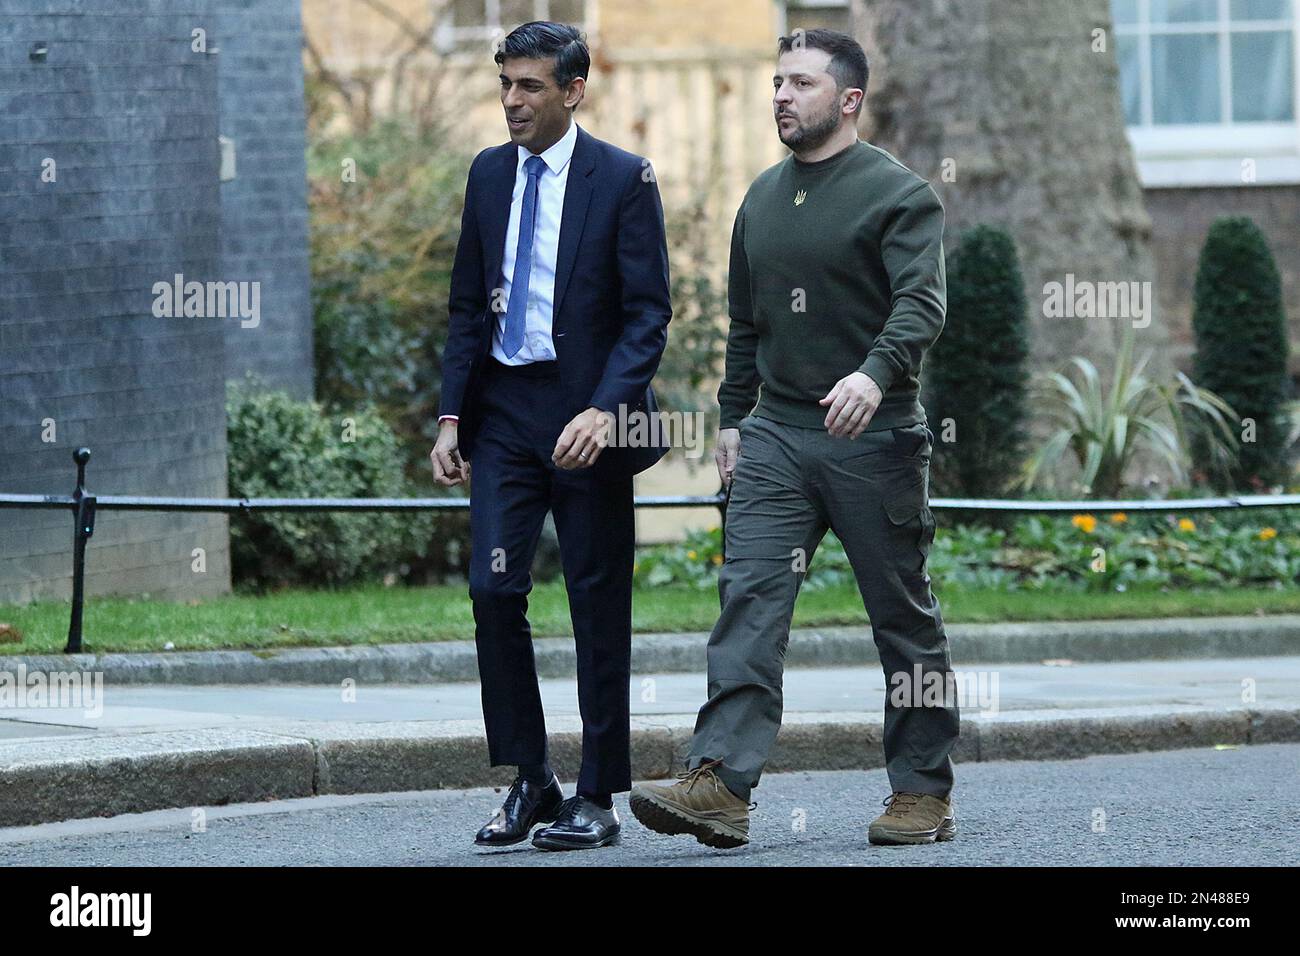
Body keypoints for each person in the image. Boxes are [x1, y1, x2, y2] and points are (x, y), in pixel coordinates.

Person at [629, 28, 959, 849]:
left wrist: (874, 374)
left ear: (848, 101)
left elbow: (921, 303)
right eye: (778, 82)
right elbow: (747, 325)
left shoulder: (900, 195)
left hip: (874, 437)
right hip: (776, 433)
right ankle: (722, 785)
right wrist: (734, 419)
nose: (781, 95)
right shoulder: (763, 199)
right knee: (749, 598)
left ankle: (921, 791)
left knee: (902, 617)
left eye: (802, 83)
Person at [432, 21, 671, 851]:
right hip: (505, 420)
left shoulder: (622, 179)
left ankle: (598, 794)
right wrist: (452, 415)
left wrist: (606, 409)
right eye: (505, 84)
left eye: (530, 86)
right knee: (494, 592)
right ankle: (531, 780)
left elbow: (648, 315)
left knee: (596, 602)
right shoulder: (489, 175)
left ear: (573, 90)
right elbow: (468, 305)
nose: (512, 102)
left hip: (589, 423)